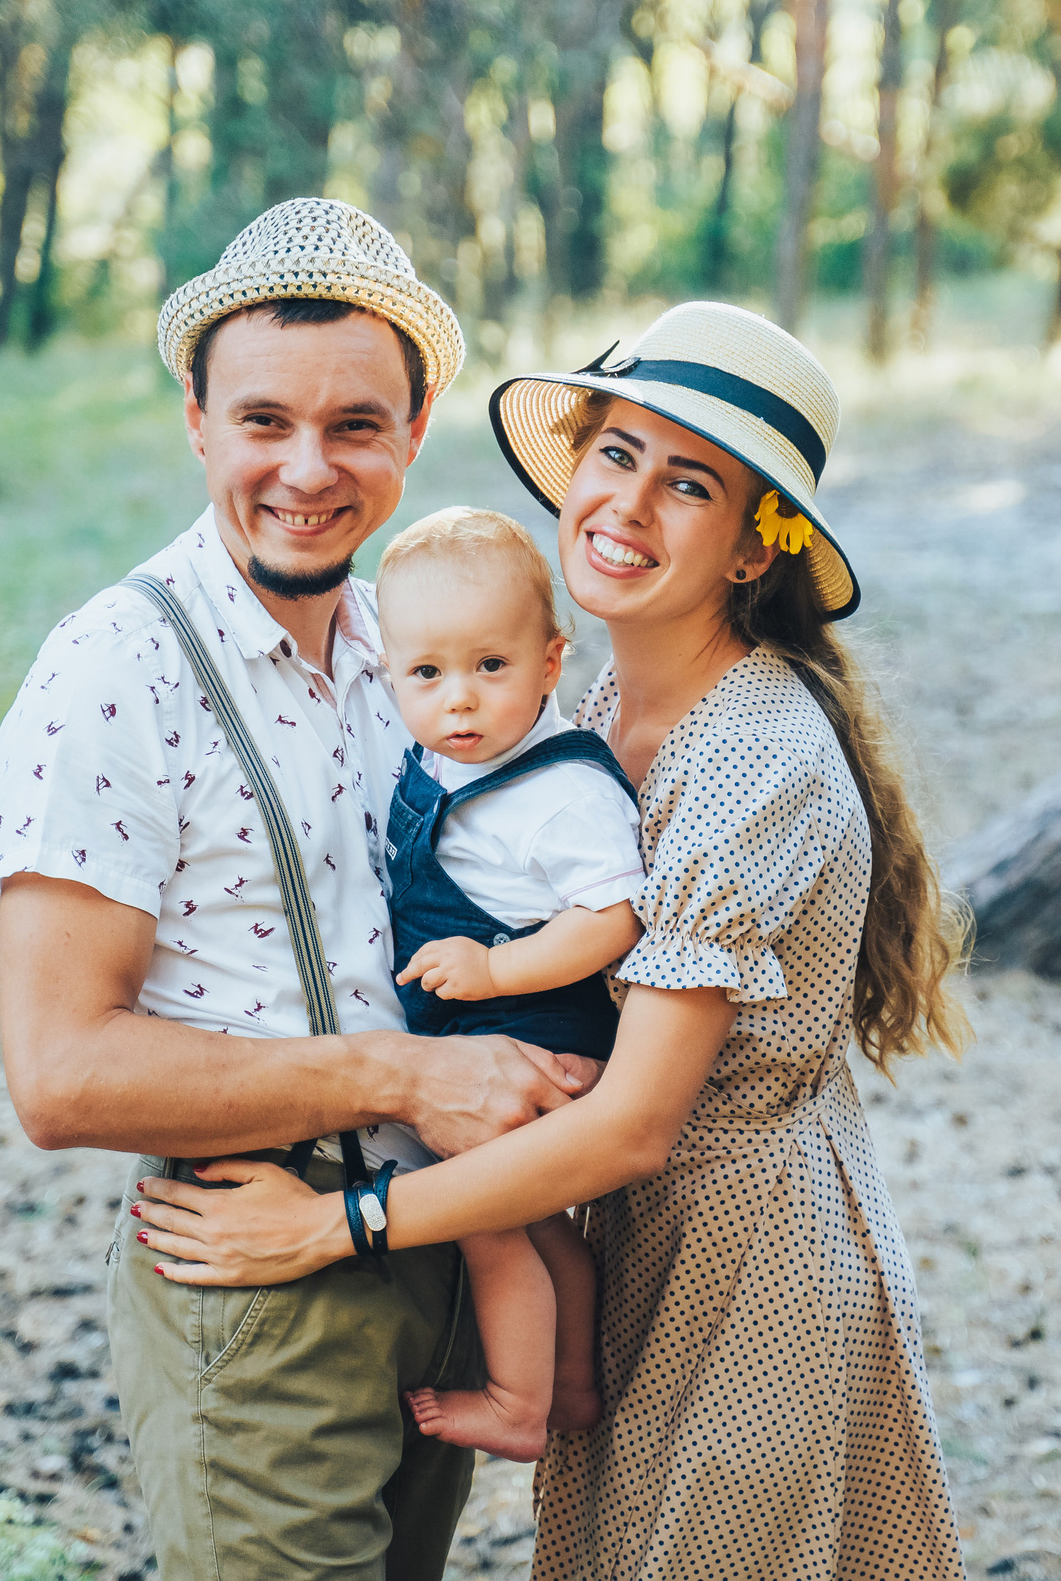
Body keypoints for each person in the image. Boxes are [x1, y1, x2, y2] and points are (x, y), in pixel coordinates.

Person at [126, 301, 973, 1579]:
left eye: (688, 484)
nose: (625, 506)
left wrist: (336, 1224)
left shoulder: (751, 752)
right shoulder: (586, 703)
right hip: (630, 1236)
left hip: (748, 1260)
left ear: (753, 548)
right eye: (614, 456)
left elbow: (636, 1121)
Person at [0, 198, 600, 1581]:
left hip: (447, 1255)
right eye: (264, 421)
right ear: (196, 418)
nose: (308, 469)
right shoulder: (111, 672)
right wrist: (404, 1078)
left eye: (356, 425)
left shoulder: (414, 649)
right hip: (262, 1287)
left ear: (416, 426)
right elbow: (60, 1074)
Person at [373, 506, 645, 1462]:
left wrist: (496, 967)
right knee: (540, 1224)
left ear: (550, 660)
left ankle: (516, 1404)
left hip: (537, 1032)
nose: (460, 700)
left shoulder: (559, 790)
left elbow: (611, 917)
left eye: (491, 667)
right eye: (427, 673)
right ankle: (572, 1384)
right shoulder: (444, 760)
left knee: (485, 1221)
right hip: (503, 1030)